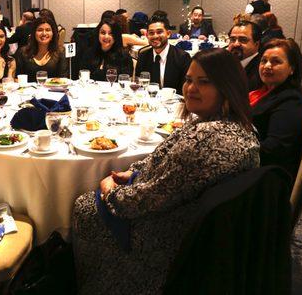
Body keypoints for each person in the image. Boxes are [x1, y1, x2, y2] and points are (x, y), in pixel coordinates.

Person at [72, 48, 260, 294]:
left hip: (169, 235)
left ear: (227, 87)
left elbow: (147, 199)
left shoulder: (205, 139)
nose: (191, 88)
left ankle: (104, 282)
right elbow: (164, 163)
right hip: (198, 225)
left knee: (83, 206)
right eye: (189, 80)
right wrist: (134, 172)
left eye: (204, 82)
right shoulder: (235, 126)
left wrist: (110, 193)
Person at [250, 38, 302, 179]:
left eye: (276, 62)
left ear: (292, 68)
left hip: (265, 177)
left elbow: (272, 151)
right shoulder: (262, 91)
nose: (267, 66)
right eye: (264, 61)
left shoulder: (291, 103)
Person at [135, 15, 191, 93]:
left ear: (168, 34)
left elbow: (186, 89)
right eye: (151, 33)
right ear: (147, 36)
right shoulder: (143, 56)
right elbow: (139, 85)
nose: (155, 36)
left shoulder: (182, 57)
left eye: (159, 32)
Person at [15, 17, 68, 82]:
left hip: (54, 91)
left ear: (53, 33)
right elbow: (17, 78)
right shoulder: (23, 52)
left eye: (48, 30)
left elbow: (63, 79)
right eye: (40, 30)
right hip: (29, 91)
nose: (44, 33)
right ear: (34, 33)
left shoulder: (60, 51)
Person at [227, 15, 262, 91]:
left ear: (256, 44)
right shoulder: (227, 62)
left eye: (243, 40)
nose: (236, 44)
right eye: (232, 39)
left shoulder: (260, 71)